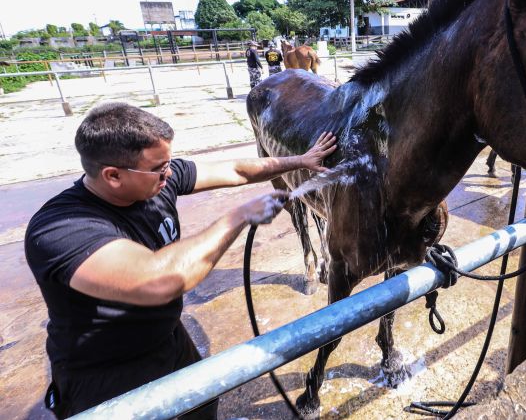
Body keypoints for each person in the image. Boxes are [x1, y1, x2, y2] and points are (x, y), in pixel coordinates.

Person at [25, 102, 337, 418]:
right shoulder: (62, 227)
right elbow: (159, 281)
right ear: (113, 176)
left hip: (168, 338)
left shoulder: (157, 182)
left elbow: (236, 170)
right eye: (159, 167)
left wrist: (300, 160)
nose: (169, 172)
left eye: (169, 162)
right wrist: (239, 216)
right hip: (105, 371)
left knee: (201, 405)